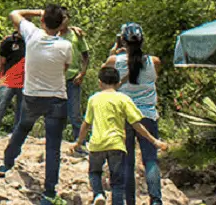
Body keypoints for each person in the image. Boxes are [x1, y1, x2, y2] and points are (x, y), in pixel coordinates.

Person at [0, 4, 73, 205]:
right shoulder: (66, 46)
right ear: (61, 25)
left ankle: (6, 164)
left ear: (42, 21)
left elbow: (13, 13)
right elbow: (64, 69)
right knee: (53, 146)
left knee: (22, 128)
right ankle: (49, 193)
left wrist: (37, 12)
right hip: (57, 97)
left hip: (32, 96)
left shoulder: (31, 34)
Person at [71, 66, 168, 205]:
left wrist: (78, 142)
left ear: (99, 82)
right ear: (118, 83)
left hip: (97, 144)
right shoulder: (123, 99)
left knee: (94, 173)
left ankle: (98, 193)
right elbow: (136, 124)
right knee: (117, 182)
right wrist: (154, 140)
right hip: (116, 145)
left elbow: (86, 124)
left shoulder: (94, 99)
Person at [105, 23, 164, 205]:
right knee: (150, 159)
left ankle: (130, 201)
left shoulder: (115, 62)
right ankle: (156, 200)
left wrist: (113, 52)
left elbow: (106, 77)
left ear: (123, 40)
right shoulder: (154, 62)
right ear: (142, 41)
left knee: (126, 162)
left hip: (124, 117)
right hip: (147, 115)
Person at [0, 29, 26, 156]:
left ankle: (14, 149)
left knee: (20, 118)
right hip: (8, 81)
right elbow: (1, 62)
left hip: (25, 83)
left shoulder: (31, 41)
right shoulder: (8, 41)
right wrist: (0, 81)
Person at [62, 12, 91, 141]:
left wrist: (82, 73)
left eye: (65, 17)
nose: (62, 20)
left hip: (72, 78)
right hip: (55, 80)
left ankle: (80, 142)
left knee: (75, 114)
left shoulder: (76, 35)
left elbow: (85, 56)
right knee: (55, 113)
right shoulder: (52, 34)